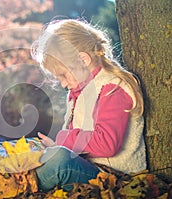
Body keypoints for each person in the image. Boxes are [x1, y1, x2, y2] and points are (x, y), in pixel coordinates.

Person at [31, 19, 147, 192]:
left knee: (60, 163)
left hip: (118, 180)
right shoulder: (77, 92)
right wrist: (55, 145)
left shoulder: (112, 88)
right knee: (46, 157)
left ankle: (17, 189)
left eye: (63, 75)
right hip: (93, 171)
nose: (63, 84)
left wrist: (63, 140)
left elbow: (106, 144)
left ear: (83, 60)